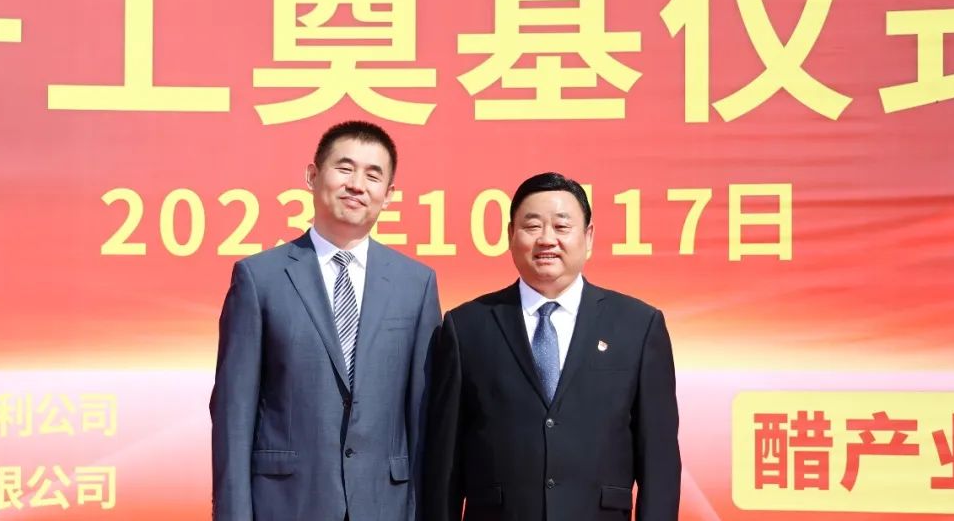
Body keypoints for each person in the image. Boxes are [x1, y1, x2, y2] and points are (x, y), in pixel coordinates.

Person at [211, 121, 441, 521]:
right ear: (312, 176)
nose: (357, 185)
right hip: (286, 504)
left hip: (384, 505)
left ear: (388, 195)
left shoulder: (416, 284)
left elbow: (424, 414)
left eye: (373, 175)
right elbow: (234, 411)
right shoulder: (259, 278)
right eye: (344, 168)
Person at [423, 172, 680, 521]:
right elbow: (444, 463)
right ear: (511, 235)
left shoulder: (638, 325)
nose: (547, 239)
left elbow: (659, 461)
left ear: (588, 237)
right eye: (532, 226)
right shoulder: (466, 326)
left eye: (562, 227)